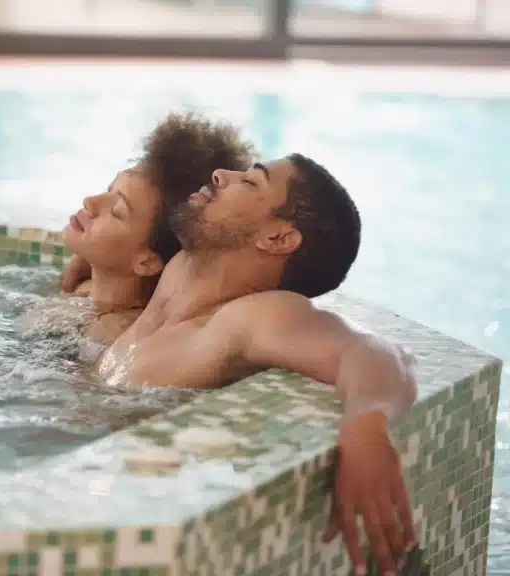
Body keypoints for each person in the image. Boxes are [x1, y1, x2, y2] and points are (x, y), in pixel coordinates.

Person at [97, 155, 418, 575]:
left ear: (279, 237)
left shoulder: (247, 319)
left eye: (250, 183)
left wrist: (366, 425)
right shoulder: (182, 269)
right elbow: (167, 174)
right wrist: (99, 262)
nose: (219, 174)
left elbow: (378, 352)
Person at [23, 112, 256, 347]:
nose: (90, 201)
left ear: (146, 262)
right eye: (109, 190)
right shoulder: (87, 286)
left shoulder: (114, 335)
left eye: (117, 211)